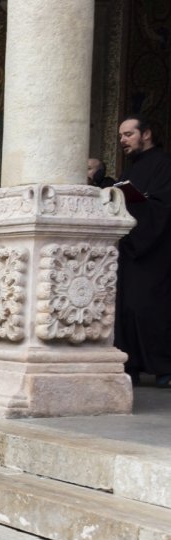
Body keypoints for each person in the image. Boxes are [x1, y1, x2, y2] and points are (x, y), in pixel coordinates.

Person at [116, 114, 171, 386]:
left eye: (129, 134)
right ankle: (132, 364)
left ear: (146, 134)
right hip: (130, 249)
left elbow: (163, 206)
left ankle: (163, 368)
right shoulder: (129, 171)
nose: (123, 140)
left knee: (149, 307)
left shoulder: (164, 165)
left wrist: (139, 204)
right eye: (120, 136)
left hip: (155, 251)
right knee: (125, 308)